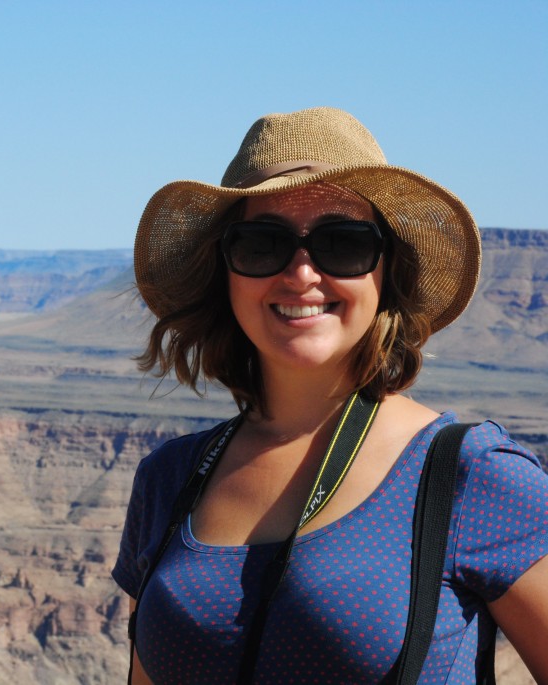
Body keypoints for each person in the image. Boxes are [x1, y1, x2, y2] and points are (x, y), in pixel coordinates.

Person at [113, 107, 548, 684]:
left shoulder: (470, 476)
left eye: (342, 244)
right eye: (261, 244)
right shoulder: (169, 480)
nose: (301, 274)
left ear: (386, 271)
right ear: (225, 271)